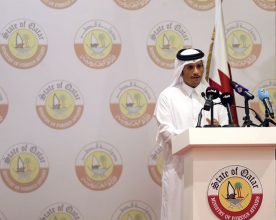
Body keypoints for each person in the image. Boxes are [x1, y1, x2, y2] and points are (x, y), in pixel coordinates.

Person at [154, 48, 228, 220]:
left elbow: (226, 128)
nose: (196, 72)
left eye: (199, 66)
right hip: (179, 170)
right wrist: (200, 135)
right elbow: (167, 133)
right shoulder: (168, 96)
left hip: (212, 170)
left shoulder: (213, 95)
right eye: (190, 67)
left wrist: (219, 131)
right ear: (181, 70)